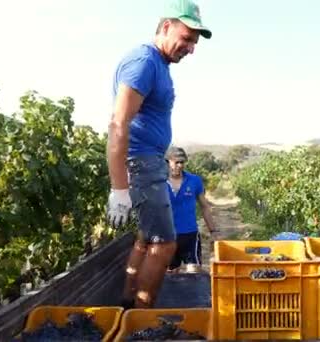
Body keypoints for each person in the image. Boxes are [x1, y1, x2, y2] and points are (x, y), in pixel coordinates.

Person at [105, 0, 212, 309]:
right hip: (141, 163)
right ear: (166, 26)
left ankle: (128, 305)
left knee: (146, 238)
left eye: (194, 42)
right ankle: (142, 318)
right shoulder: (144, 62)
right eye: (188, 38)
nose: (191, 48)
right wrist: (119, 189)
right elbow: (118, 124)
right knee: (165, 245)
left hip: (148, 162)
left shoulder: (159, 66)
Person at [165, 147, 217, 273]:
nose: (180, 165)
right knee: (170, 275)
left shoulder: (194, 181)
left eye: (182, 162)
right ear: (167, 162)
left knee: (194, 274)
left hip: (190, 235)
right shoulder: (159, 183)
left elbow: (204, 206)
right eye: (176, 162)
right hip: (167, 237)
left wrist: (213, 231)